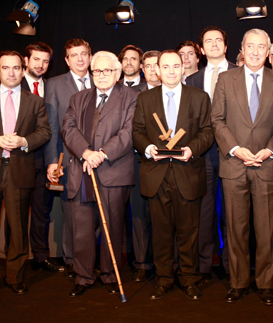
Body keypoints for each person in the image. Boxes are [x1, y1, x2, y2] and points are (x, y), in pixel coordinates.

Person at [211, 28, 273, 305]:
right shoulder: (225, 78)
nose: (255, 52)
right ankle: (238, 282)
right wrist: (236, 149)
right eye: (250, 46)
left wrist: (269, 150)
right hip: (233, 163)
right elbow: (217, 120)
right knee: (235, 228)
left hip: (267, 164)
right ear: (242, 49)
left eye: (261, 47)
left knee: (267, 229)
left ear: (268, 52)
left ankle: (266, 283)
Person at [0, 50, 51, 302]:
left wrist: (24, 140)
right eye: (6, 68)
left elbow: (45, 132)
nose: (12, 72)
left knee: (18, 231)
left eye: (16, 68)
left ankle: (15, 278)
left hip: (20, 171)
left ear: (22, 70)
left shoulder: (35, 101)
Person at [133, 50, 214, 301]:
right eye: (165, 66)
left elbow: (208, 131)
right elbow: (137, 131)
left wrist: (193, 149)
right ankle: (164, 279)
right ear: (157, 69)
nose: (170, 71)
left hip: (188, 173)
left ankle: (189, 278)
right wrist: (147, 149)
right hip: (156, 174)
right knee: (161, 232)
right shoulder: (145, 99)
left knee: (189, 232)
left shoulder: (199, 97)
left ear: (183, 68)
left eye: (175, 66)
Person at [60, 50, 138, 297]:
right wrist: (86, 152)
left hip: (113, 170)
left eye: (107, 71)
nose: (101, 75)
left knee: (112, 227)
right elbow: (68, 127)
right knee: (82, 229)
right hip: (82, 170)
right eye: (97, 71)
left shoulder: (132, 97)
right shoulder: (79, 97)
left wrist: (101, 154)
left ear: (117, 73)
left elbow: (128, 133)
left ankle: (109, 275)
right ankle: (83, 277)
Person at [186, 25, 237, 283]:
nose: (214, 44)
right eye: (209, 41)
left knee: (232, 214)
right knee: (203, 215)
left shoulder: (240, 75)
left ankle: (231, 266)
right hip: (202, 157)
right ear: (202, 49)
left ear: (226, 47)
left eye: (219, 40)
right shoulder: (192, 80)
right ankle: (205, 266)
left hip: (233, 155)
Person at [44, 38, 93, 279]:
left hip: (98, 160)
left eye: (83, 54)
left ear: (90, 56)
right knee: (71, 212)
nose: (80, 59)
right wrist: (53, 160)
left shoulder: (103, 79)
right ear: (66, 60)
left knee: (96, 213)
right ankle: (73, 262)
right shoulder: (54, 85)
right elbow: (51, 126)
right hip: (69, 159)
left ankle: (91, 261)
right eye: (74, 55)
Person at [21, 41, 62, 272]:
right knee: (16, 214)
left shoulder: (51, 87)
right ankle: (13, 258)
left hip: (45, 159)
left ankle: (40, 256)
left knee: (41, 211)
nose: (41, 64)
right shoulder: (15, 86)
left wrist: (52, 160)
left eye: (45, 61)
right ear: (26, 61)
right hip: (20, 159)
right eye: (36, 59)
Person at [128, 50, 161, 283]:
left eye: (155, 65)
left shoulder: (175, 92)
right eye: (147, 66)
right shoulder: (129, 94)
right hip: (138, 162)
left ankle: (166, 263)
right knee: (139, 216)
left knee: (165, 217)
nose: (152, 70)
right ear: (142, 69)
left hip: (169, 164)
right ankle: (141, 263)